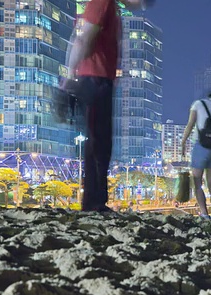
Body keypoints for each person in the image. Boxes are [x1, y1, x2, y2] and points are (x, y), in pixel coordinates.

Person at [63, 0, 153, 212]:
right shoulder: (102, 3)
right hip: (94, 80)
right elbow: (82, 39)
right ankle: (93, 203)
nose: (140, 6)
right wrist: (69, 77)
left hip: (100, 80)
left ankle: (96, 201)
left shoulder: (110, 7)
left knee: (101, 143)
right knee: (97, 143)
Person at [181, 91, 211, 220]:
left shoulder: (198, 104)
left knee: (197, 181)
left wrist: (183, 142)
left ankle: (204, 213)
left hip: (201, 146)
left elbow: (190, 125)